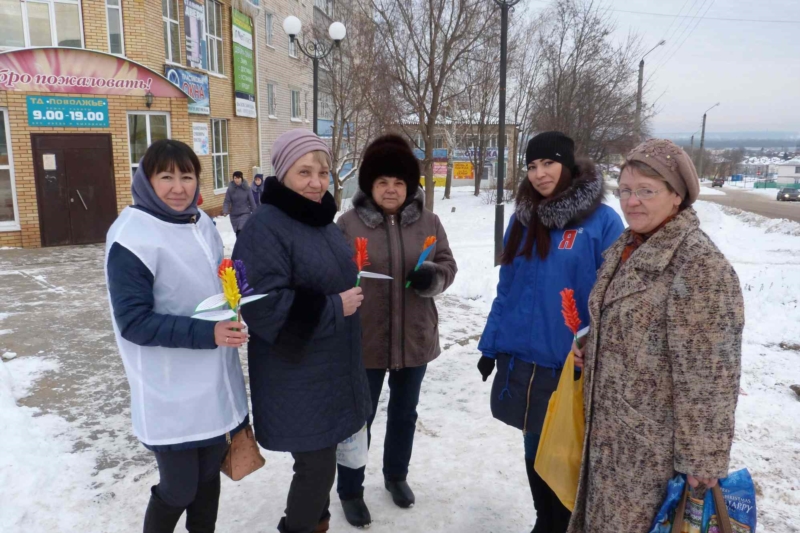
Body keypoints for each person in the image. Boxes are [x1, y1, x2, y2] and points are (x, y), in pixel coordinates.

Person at [567, 139, 745, 533]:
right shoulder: (627, 246)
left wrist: (703, 462)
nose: (632, 202)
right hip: (611, 439)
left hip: (653, 456)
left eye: (646, 191)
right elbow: (633, 326)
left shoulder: (698, 266)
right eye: (625, 190)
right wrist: (593, 347)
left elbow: (711, 376)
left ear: (677, 196)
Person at [477, 131, 624, 533]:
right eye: (532, 166)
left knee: (565, 449)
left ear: (569, 165)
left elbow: (615, 297)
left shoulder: (602, 222)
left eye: (548, 163)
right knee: (532, 440)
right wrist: (491, 345)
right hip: (524, 356)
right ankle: (546, 518)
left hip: (570, 362)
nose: (540, 174)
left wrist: (595, 348)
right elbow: (508, 287)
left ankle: (564, 522)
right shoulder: (523, 221)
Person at [105, 139, 249, 532]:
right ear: (147, 180)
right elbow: (134, 322)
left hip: (213, 381)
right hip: (168, 388)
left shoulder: (199, 222)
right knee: (180, 486)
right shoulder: (133, 237)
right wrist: (210, 333)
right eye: (166, 176)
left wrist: (235, 310)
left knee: (207, 482)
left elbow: (217, 284)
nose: (178, 187)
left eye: (187, 176)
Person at [232, 129, 372, 533]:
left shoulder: (322, 223)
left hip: (331, 369)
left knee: (321, 465)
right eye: (304, 172)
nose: (316, 182)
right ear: (283, 174)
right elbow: (260, 305)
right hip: (295, 374)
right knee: (315, 467)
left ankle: (316, 522)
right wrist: (333, 306)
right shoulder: (265, 227)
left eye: (323, 173)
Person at [335, 135, 458, 527]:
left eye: (399, 182)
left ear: (410, 186)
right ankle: (350, 490)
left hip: (414, 339)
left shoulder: (428, 221)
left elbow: (448, 265)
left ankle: (396, 476)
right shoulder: (348, 224)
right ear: (370, 185)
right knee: (359, 420)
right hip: (364, 340)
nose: (391, 189)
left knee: (405, 414)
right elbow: (332, 274)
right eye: (383, 181)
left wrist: (432, 276)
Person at [223, 170, 257, 235]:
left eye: (238, 178)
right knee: (237, 233)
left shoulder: (247, 188)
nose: (237, 180)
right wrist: (225, 210)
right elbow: (227, 201)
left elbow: (252, 201)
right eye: (235, 178)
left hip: (245, 213)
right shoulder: (230, 189)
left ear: (241, 178)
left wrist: (255, 212)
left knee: (241, 230)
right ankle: (241, 244)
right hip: (234, 215)